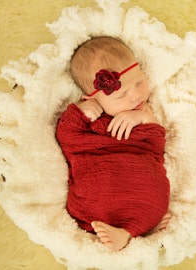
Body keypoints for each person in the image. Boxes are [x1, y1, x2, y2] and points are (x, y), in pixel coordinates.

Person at [56, 36, 171, 251]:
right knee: (98, 198)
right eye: (122, 95)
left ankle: (136, 229)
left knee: (152, 200)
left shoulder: (144, 113)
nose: (136, 95)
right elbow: (67, 138)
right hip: (98, 189)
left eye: (139, 82)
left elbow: (156, 146)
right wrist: (79, 113)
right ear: (91, 98)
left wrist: (142, 119)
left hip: (144, 186)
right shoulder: (89, 118)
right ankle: (133, 230)